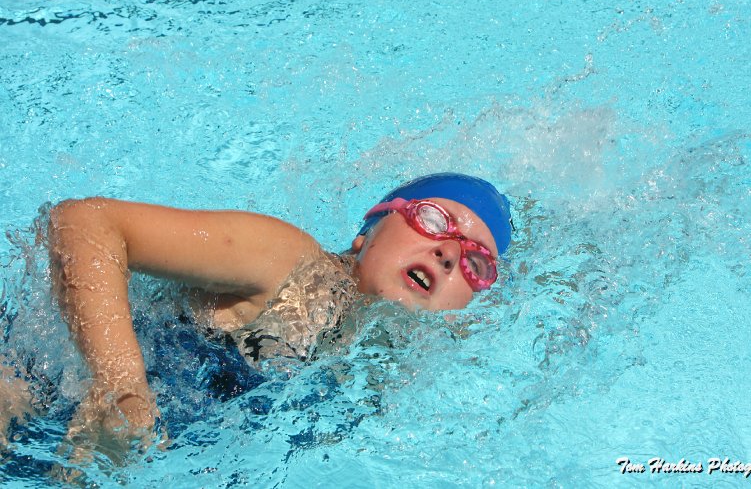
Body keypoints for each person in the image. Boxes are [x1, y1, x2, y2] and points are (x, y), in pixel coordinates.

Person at [30, 173, 512, 445]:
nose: (449, 253)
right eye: (433, 220)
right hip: (36, 397)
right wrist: (120, 385)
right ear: (366, 234)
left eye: (476, 264)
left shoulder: (389, 374)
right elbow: (83, 224)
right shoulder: (289, 264)